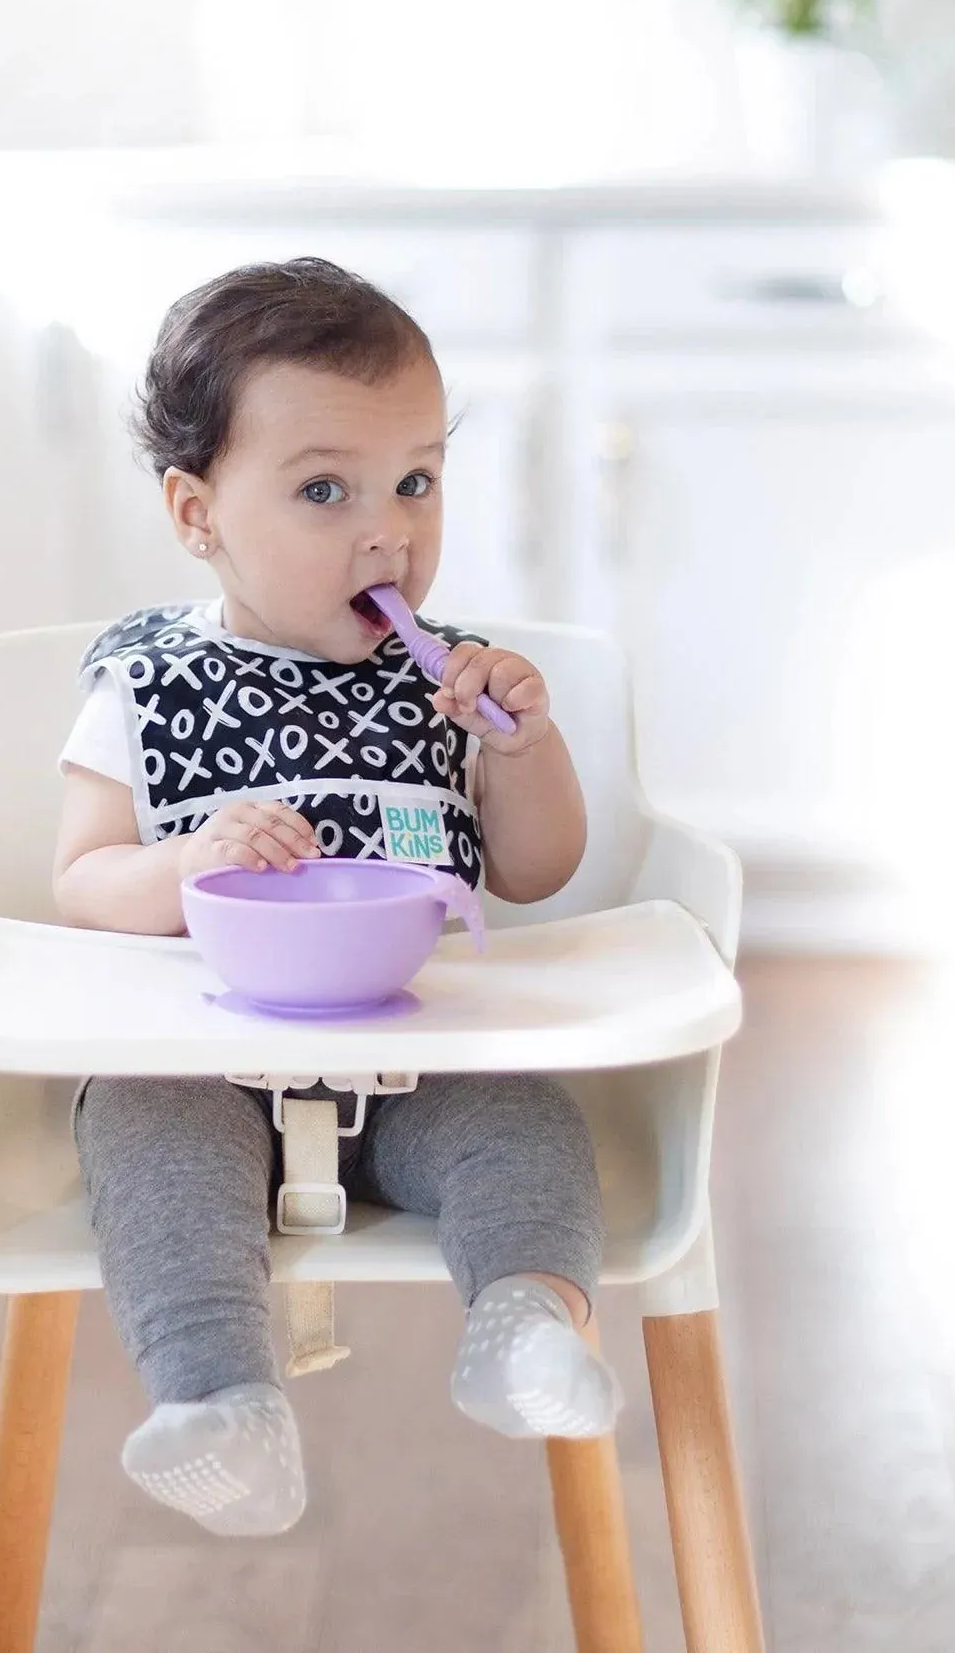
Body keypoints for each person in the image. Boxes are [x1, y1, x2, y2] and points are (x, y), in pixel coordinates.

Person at [54, 256, 618, 1536]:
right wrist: (184, 863)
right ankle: (219, 1402)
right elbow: (81, 878)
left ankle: (528, 1318)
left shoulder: (448, 683)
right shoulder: (145, 684)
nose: (391, 532)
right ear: (196, 513)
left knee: (529, 1124)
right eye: (325, 490)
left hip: (417, 1058)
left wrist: (521, 748)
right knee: (143, 1135)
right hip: (206, 1062)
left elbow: (533, 871)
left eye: (415, 480)